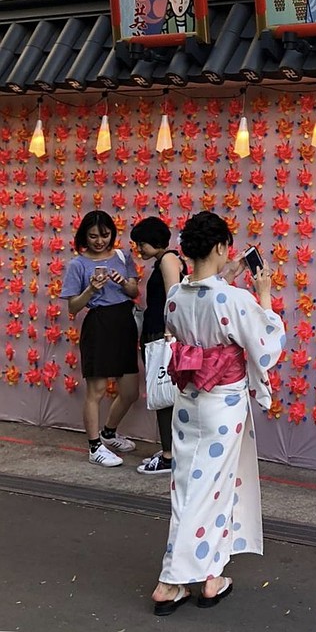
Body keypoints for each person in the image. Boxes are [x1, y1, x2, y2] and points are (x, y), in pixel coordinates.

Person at [150, 212, 284, 616]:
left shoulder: (176, 296)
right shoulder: (234, 298)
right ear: (222, 247)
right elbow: (266, 344)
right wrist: (263, 294)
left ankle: (211, 573)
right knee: (208, 490)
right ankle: (170, 580)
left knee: (192, 488)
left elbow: (202, 306)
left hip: (189, 403)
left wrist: (231, 278)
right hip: (223, 402)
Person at [61, 211, 141, 467]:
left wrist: (122, 283)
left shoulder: (122, 256)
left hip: (124, 322)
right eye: (93, 236)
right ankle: (95, 447)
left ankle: (109, 433)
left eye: (105, 235)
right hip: (98, 323)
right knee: (95, 390)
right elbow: (73, 307)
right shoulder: (78, 264)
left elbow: (134, 290)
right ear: (84, 236)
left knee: (129, 391)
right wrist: (91, 289)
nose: (99, 241)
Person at [130, 216, 187, 475]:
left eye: (141, 244)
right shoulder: (163, 260)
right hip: (156, 333)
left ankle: (169, 455)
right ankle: (170, 448)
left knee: (163, 393)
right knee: (163, 393)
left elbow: (173, 295)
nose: (139, 250)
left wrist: (168, 331)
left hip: (161, 336)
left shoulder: (168, 260)